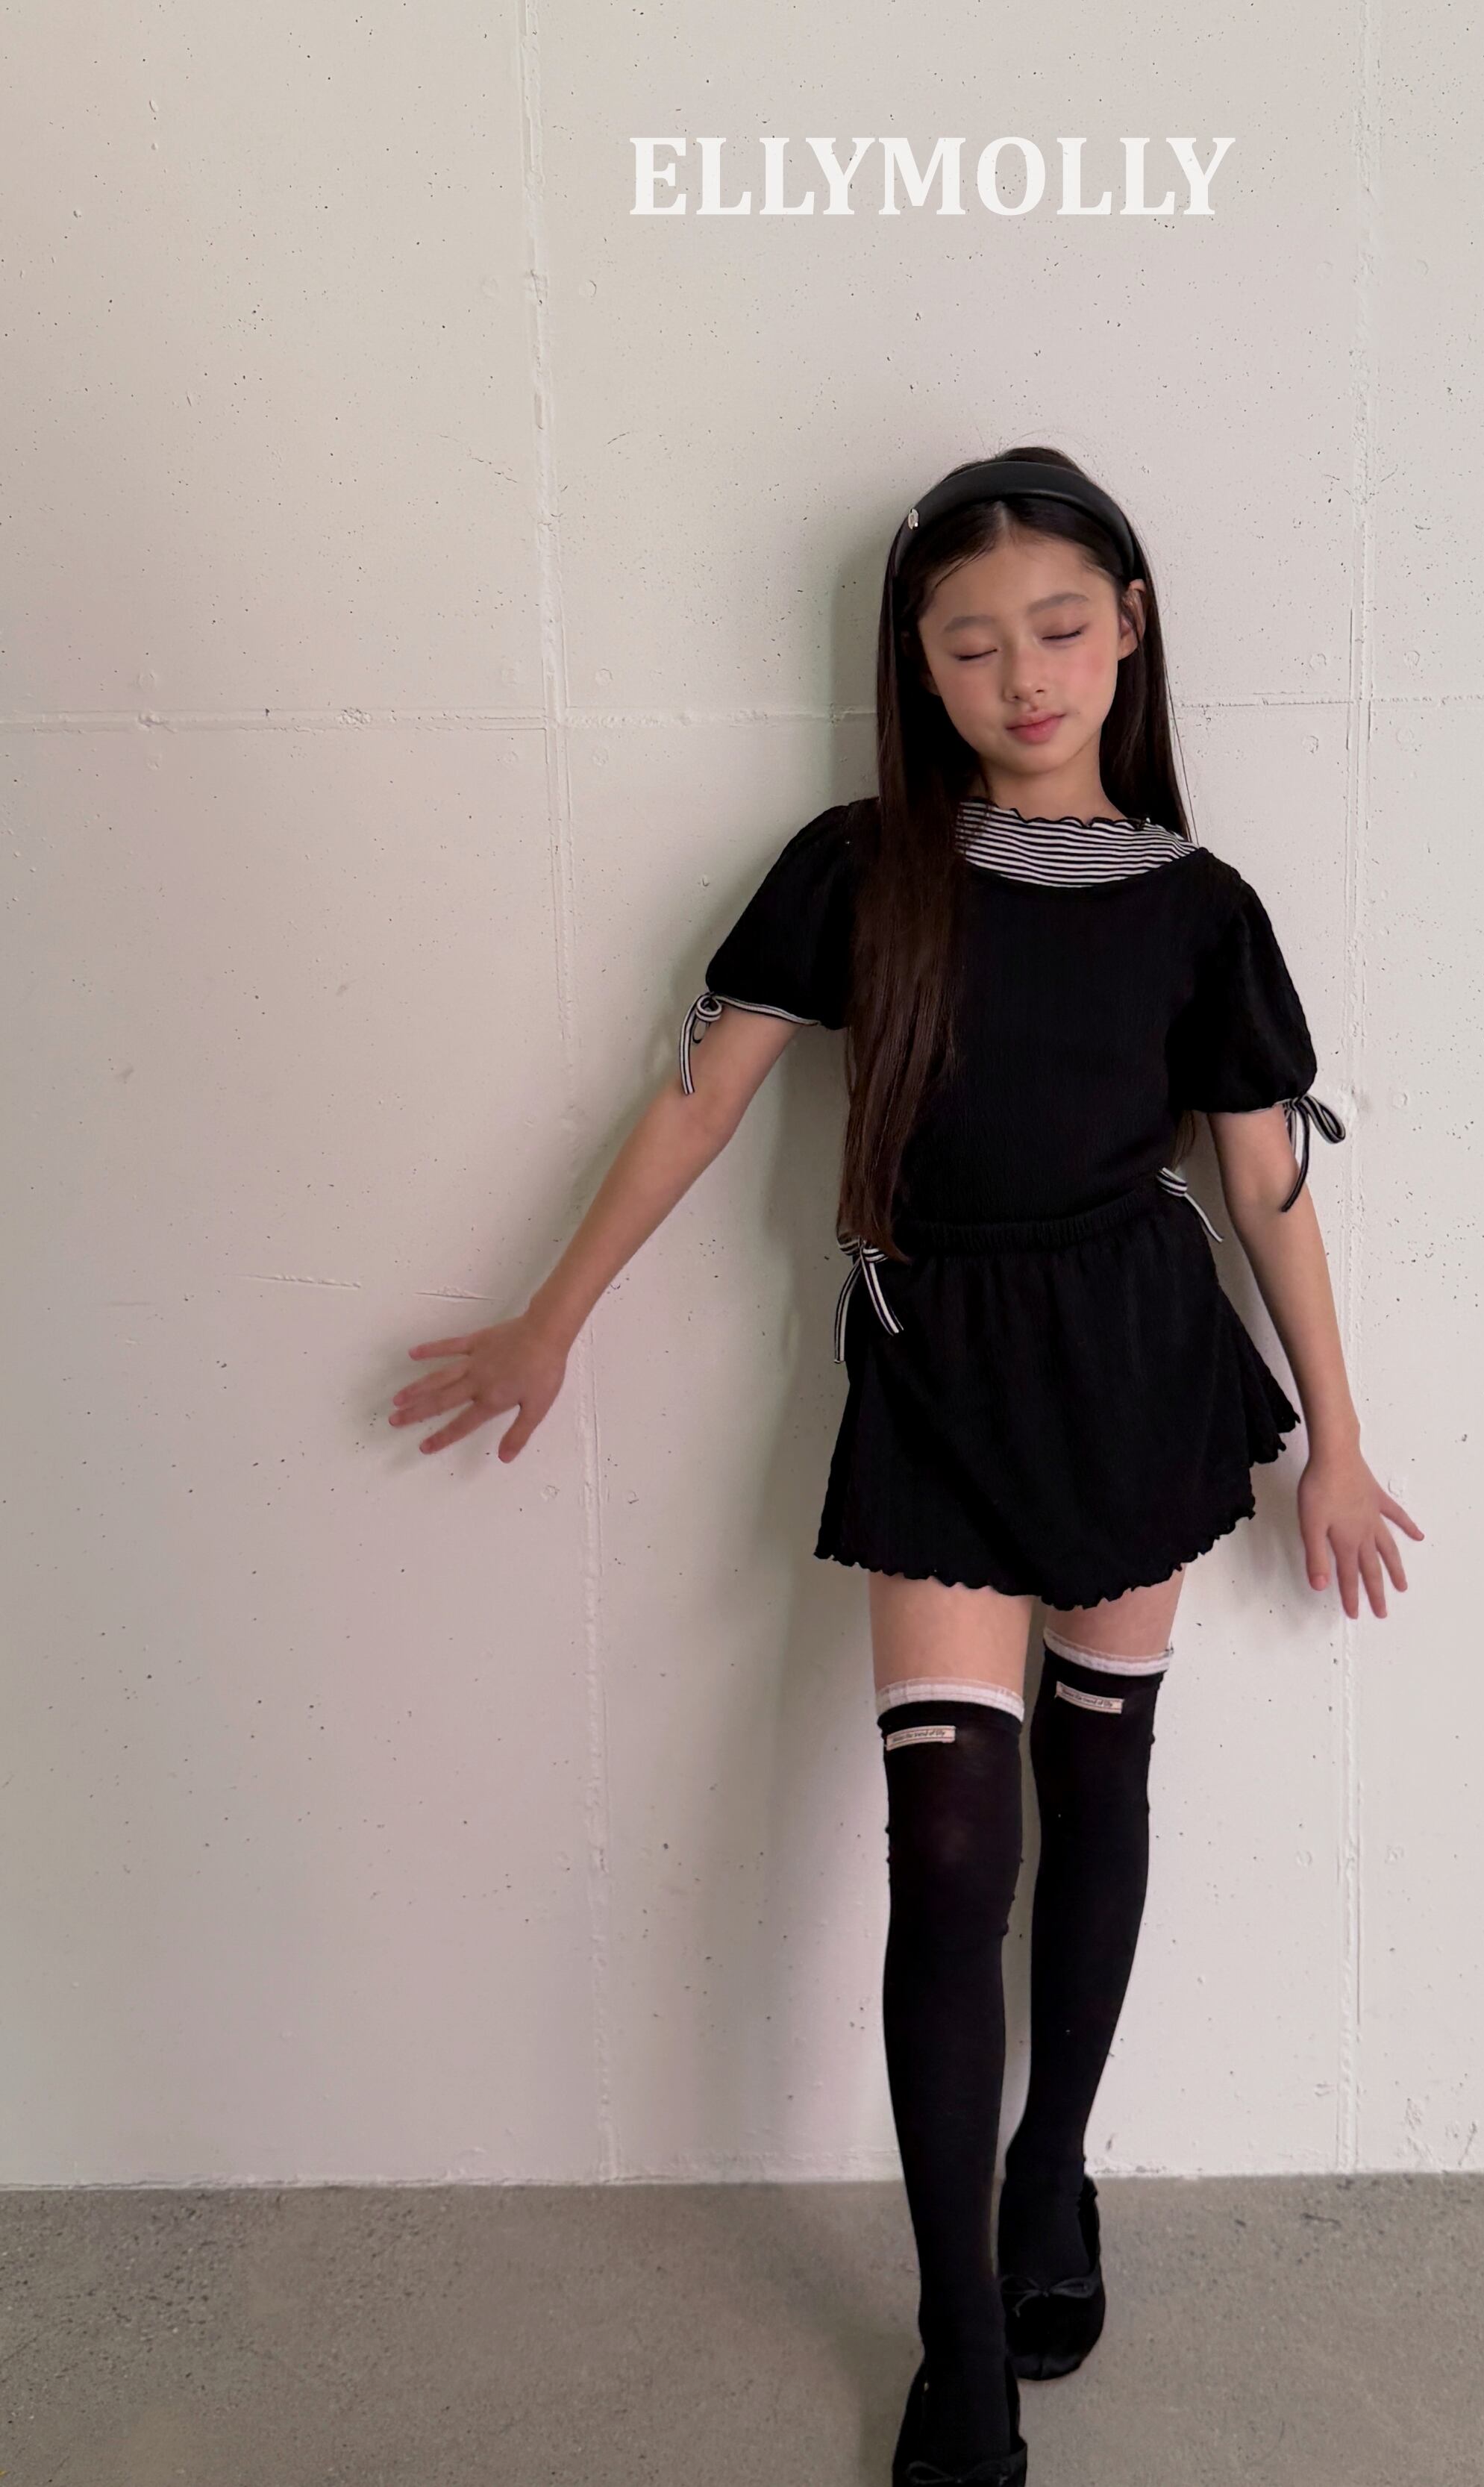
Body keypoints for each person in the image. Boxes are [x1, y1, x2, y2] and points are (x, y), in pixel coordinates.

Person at [389, 447, 1423, 2487]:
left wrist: (1339, 1437)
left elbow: (1263, 1182)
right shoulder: (858, 868)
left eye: (1059, 628)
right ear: (916, 666)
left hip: (1132, 1366)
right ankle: (961, 2343)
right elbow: (696, 1105)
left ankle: (1056, 2169)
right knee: (948, 1854)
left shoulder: (1199, 907)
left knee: (1098, 1781)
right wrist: (549, 1316)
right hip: (937, 1376)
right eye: (970, 644)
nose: (1022, 675)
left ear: (1128, 630)